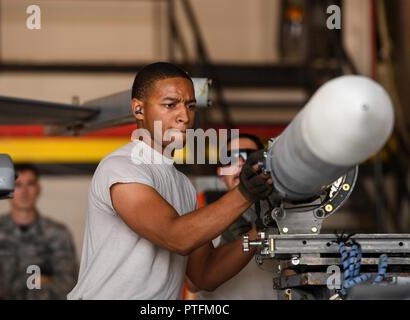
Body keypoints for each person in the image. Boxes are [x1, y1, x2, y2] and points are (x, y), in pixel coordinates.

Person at [68, 62, 273, 300]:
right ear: (138, 109)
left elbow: (204, 275)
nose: (184, 117)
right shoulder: (121, 167)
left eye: (190, 105)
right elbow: (176, 237)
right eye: (170, 105)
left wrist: (261, 231)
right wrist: (246, 193)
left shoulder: (183, 184)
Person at [0, 164, 78, 299]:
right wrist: (42, 279)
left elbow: (68, 285)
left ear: (38, 189)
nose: (24, 192)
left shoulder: (58, 234)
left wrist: (3, 275)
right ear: (8, 190)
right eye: (18, 185)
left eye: (30, 184)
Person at [194, 133, 279, 300]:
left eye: (249, 156)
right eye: (231, 158)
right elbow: (193, 283)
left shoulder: (285, 214)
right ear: (220, 171)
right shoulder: (199, 219)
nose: (240, 163)